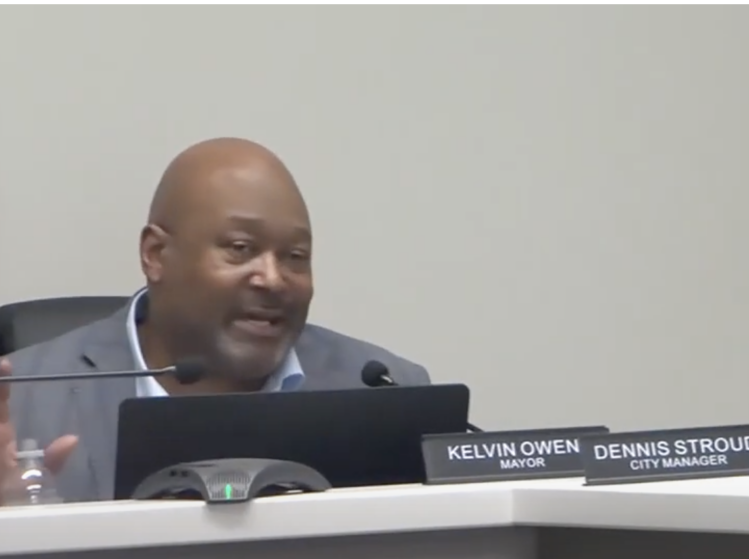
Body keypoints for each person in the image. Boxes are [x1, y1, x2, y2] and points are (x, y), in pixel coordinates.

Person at [0, 137, 430, 503]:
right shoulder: (25, 400)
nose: (273, 279)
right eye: (241, 249)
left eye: (295, 256)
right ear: (156, 255)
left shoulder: (387, 394)